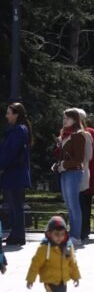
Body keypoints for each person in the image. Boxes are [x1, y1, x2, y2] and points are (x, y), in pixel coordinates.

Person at [25, 216, 80, 292]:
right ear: (49, 234)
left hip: (63, 282)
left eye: (62, 234)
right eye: (56, 234)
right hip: (50, 282)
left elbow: (72, 263)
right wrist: (30, 279)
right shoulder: (44, 248)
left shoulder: (67, 247)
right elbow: (35, 264)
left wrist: (76, 276)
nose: (60, 237)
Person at [53, 109, 90, 245]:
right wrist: (58, 165)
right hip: (65, 171)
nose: (65, 120)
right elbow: (63, 155)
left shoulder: (78, 135)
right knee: (69, 205)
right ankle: (73, 234)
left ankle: (76, 236)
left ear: (75, 119)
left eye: (68, 118)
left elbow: (78, 159)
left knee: (74, 204)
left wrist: (64, 164)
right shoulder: (65, 134)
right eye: (64, 118)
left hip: (74, 172)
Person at [0, 103, 32, 246]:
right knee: (14, 206)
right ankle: (16, 234)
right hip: (14, 172)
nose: (7, 115)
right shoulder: (18, 129)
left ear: (16, 114)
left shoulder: (18, 130)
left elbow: (11, 152)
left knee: (15, 205)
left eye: (9, 113)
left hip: (14, 173)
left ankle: (18, 235)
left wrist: (2, 166)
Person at [75, 109, 94, 243]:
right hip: (87, 172)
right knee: (84, 201)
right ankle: (83, 229)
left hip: (87, 172)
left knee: (83, 200)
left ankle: (82, 229)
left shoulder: (89, 132)